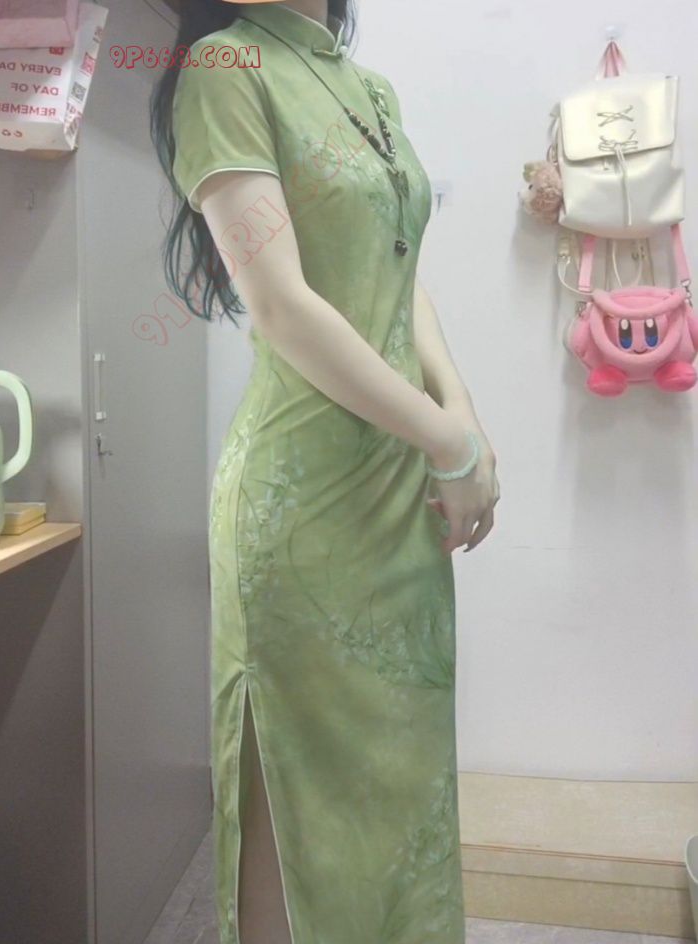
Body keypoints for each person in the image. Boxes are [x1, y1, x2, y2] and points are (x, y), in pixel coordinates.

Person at [151, 2, 500, 942]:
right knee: (300, 817)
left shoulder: (369, 90)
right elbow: (280, 303)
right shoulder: (225, 68)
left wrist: (461, 416)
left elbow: (402, 276)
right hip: (300, 504)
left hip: (396, 498)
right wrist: (448, 444)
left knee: (400, 802)